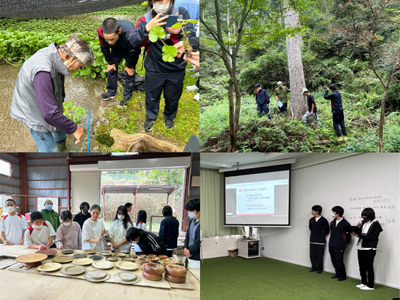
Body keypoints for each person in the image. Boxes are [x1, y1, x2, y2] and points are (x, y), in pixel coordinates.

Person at [10, 36, 94, 152]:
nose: (77, 69)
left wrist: (60, 103)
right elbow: (49, 114)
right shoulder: (43, 71)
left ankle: (62, 148)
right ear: (72, 59)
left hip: (41, 99)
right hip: (30, 108)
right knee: (49, 148)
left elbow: (57, 84)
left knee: (58, 127)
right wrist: (75, 128)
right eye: (80, 65)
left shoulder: (56, 57)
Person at [128, 0, 196, 131]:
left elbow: (192, 36)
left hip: (176, 68)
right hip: (154, 67)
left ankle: (169, 117)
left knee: (173, 96)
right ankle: (151, 116)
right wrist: (147, 28)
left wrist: (177, 33)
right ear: (151, 1)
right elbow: (133, 42)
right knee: (152, 95)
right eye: (158, 0)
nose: (163, 2)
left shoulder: (181, 13)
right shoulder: (147, 18)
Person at [98, 18, 141, 106]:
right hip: (116, 50)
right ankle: (111, 91)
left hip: (130, 50)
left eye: (112, 39)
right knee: (111, 69)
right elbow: (104, 47)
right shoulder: (100, 31)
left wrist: (130, 65)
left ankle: (127, 96)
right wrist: (110, 62)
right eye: (107, 39)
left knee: (130, 72)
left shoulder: (131, 34)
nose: (109, 42)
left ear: (119, 31)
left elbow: (135, 51)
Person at [351, 208, 383, 291]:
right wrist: (357, 227)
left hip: (369, 248)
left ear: (370, 216)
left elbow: (372, 237)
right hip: (361, 246)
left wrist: (359, 235)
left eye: (365, 216)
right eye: (363, 216)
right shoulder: (364, 223)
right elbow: (360, 233)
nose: (364, 218)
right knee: (361, 266)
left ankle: (370, 285)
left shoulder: (375, 224)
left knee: (369, 267)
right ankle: (363, 282)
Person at [329, 206, 351, 281]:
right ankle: (337, 273)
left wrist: (345, 244)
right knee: (333, 260)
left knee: (339, 261)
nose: (332, 213)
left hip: (340, 245)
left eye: (333, 212)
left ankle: (342, 275)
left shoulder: (346, 223)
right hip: (331, 243)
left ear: (338, 213)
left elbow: (348, 236)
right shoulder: (332, 222)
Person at [308, 205, 329, 274]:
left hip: (320, 241)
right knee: (312, 255)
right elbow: (310, 228)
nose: (311, 211)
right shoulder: (311, 220)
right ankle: (314, 267)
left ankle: (320, 268)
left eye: (313, 210)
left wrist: (321, 235)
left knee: (319, 256)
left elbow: (327, 230)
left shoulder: (324, 220)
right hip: (312, 240)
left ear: (317, 212)